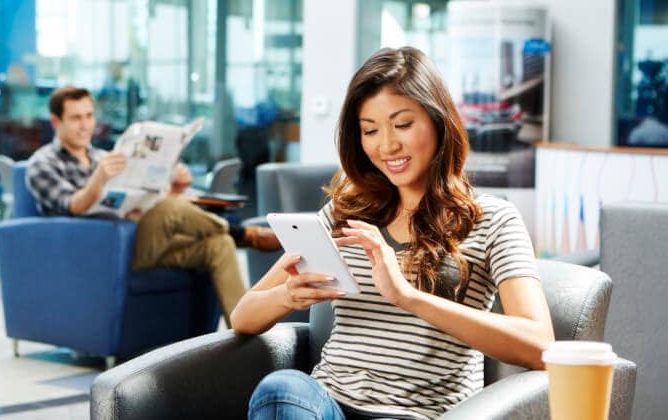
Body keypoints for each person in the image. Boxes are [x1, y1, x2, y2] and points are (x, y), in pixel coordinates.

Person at [230, 47, 555, 419]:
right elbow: (243, 316)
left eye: (402, 125)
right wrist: (288, 295)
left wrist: (407, 295)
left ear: (439, 121)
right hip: (323, 408)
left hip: (418, 414)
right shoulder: (345, 211)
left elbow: (541, 345)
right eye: (370, 130)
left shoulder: (493, 219)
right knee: (281, 389)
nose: (386, 146)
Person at [25, 86, 280, 326]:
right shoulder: (42, 164)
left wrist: (175, 188)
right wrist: (98, 179)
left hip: (142, 238)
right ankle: (244, 234)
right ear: (56, 121)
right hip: (102, 251)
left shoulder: (104, 157)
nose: (85, 125)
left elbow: (143, 199)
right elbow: (73, 207)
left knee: (218, 244)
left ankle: (245, 331)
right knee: (171, 209)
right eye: (76, 118)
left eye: (89, 116)